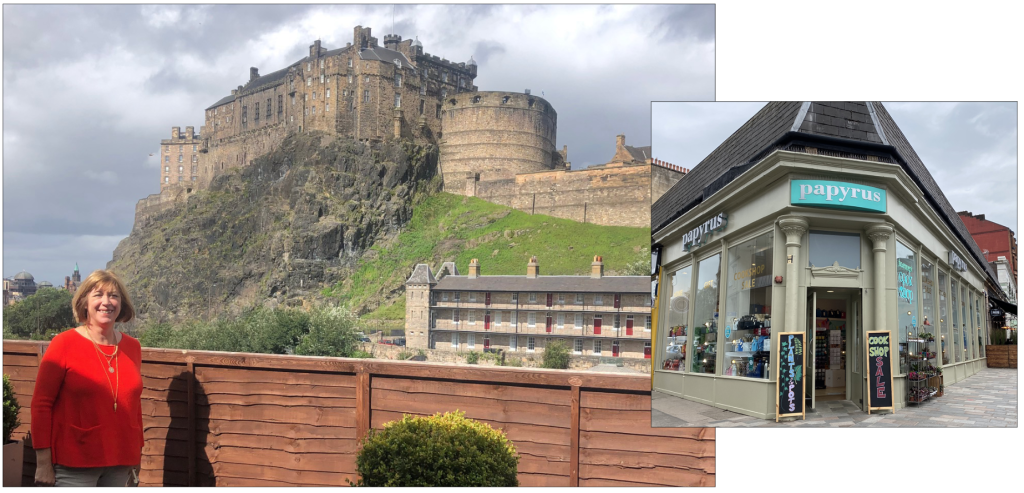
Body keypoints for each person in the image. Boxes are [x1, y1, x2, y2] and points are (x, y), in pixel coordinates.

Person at [31, 270, 143, 487]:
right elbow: (41, 405)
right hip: (74, 463)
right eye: (98, 295)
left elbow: (134, 407)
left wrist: (137, 453)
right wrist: (42, 462)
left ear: (122, 304)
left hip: (120, 462)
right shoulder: (64, 343)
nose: (106, 302)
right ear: (84, 303)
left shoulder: (133, 347)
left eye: (113, 296)